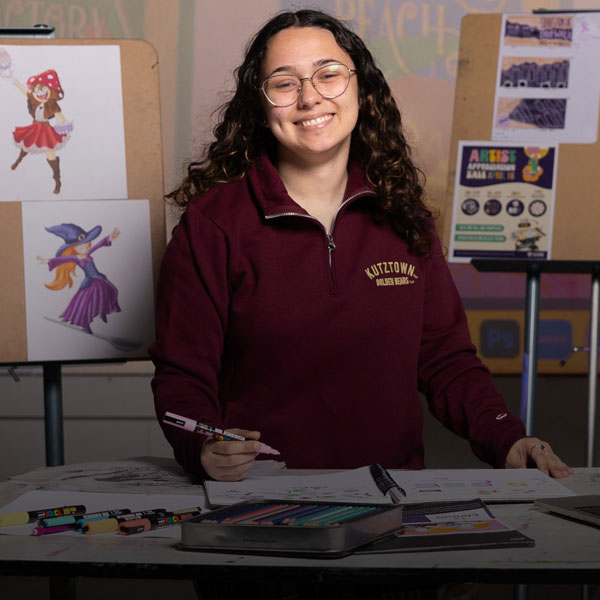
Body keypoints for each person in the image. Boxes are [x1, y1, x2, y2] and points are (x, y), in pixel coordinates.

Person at [149, 9, 571, 485]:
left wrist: (509, 437)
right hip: (263, 500)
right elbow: (182, 375)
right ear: (260, 106)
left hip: (393, 495)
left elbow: (446, 362)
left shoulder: (404, 217)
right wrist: (201, 445)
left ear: (362, 90)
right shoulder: (214, 225)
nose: (310, 98)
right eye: (285, 84)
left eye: (329, 75)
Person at [37, 223, 121, 334]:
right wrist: (47, 261)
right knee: (85, 305)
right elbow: (62, 260)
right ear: (75, 249)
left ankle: (103, 311)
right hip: (90, 282)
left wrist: (109, 238)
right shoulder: (75, 258)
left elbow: (98, 245)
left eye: (87, 245)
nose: (85, 248)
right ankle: (85, 325)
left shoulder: (88, 253)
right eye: (81, 247)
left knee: (112, 291)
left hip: (99, 279)